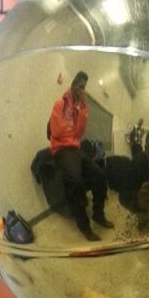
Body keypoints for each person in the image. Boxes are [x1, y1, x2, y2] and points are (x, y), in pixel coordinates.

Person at [47, 71, 111, 242]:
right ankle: (84, 226)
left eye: (84, 88)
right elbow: (58, 131)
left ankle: (98, 213)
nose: (81, 90)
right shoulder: (60, 104)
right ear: (73, 84)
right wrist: (71, 134)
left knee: (100, 175)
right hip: (61, 148)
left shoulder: (80, 107)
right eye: (80, 86)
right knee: (75, 181)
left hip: (75, 148)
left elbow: (80, 132)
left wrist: (82, 109)